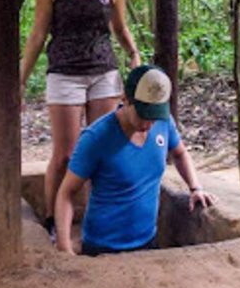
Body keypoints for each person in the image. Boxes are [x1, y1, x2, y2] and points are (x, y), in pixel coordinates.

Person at [20, 0, 142, 241]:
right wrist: (20, 80)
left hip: (103, 72)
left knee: (102, 148)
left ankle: (97, 217)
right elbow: (36, 36)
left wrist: (134, 53)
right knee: (66, 153)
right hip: (64, 74)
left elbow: (119, 28)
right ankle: (51, 218)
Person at [54, 65, 216, 256]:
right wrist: (64, 246)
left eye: (154, 117)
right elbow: (66, 193)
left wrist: (195, 187)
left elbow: (180, 153)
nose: (148, 124)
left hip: (148, 240)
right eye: (143, 115)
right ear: (125, 99)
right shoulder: (96, 138)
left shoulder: (164, 122)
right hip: (104, 247)